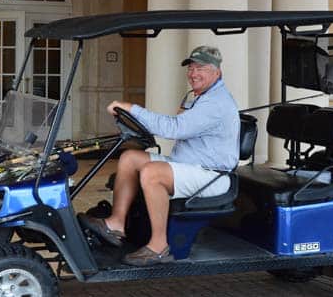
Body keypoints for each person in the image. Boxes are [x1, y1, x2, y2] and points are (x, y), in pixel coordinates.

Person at [81, 45, 240, 266]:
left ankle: (158, 246)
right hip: (188, 163)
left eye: (200, 68)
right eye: (191, 68)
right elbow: (179, 124)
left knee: (151, 173)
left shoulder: (216, 102)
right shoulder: (198, 97)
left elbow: (174, 128)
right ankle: (116, 224)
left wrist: (132, 109)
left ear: (217, 72)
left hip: (212, 174)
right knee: (130, 158)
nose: (193, 74)